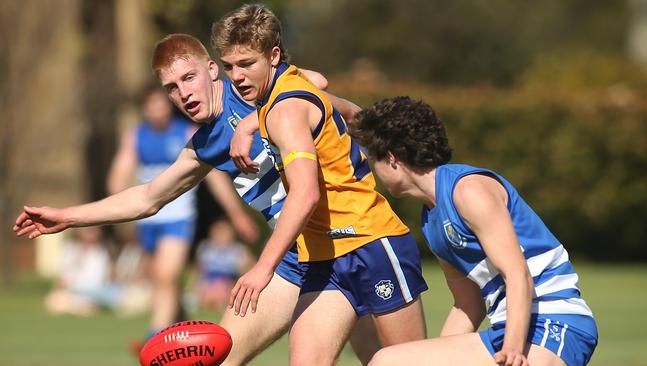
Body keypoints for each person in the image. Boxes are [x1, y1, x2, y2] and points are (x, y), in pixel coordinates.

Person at [14, 33, 380, 365]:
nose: (183, 94)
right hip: (290, 257)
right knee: (219, 358)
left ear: (212, 69)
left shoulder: (249, 89)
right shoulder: (204, 146)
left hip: (346, 239)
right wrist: (66, 217)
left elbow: (315, 81)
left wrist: (255, 121)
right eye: (171, 88)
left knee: (381, 359)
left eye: (188, 78)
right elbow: (147, 197)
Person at [212, 4, 428, 365]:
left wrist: (262, 268)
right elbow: (351, 111)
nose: (236, 75)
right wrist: (250, 125)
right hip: (325, 258)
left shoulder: (284, 109)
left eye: (246, 63)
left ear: (274, 55)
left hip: (372, 245)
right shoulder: (289, 87)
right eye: (229, 66)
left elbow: (306, 194)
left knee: (405, 361)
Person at [348, 96, 599, 366]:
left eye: (374, 159)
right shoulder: (432, 221)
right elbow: (468, 304)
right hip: (506, 331)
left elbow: (518, 274)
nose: (373, 170)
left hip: (555, 323)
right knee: (387, 361)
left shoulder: (468, 191)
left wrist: (512, 350)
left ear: (393, 159)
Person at [106, 84, 259, 342]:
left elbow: (214, 178)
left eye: (161, 104)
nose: (157, 110)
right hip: (148, 221)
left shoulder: (187, 133)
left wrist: (236, 213)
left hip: (179, 220)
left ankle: (155, 339)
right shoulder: (136, 137)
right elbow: (118, 177)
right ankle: (185, 329)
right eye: (151, 105)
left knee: (166, 276)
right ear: (144, 109)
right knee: (162, 281)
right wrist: (119, 209)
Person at [44, 226, 112, 316]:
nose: (92, 234)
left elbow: (100, 279)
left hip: (91, 292)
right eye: (89, 231)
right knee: (56, 301)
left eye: (95, 230)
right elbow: (62, 275)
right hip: (71, 291)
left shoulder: (101, 252)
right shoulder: (69, 249)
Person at [194, 218, 254, 310]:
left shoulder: (238, 250)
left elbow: (247, 269)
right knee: (210, 293)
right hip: (209, 281)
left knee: (222, 290)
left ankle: (219, 302)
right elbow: (199, 270)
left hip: (229, 280)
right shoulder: (206, 248)